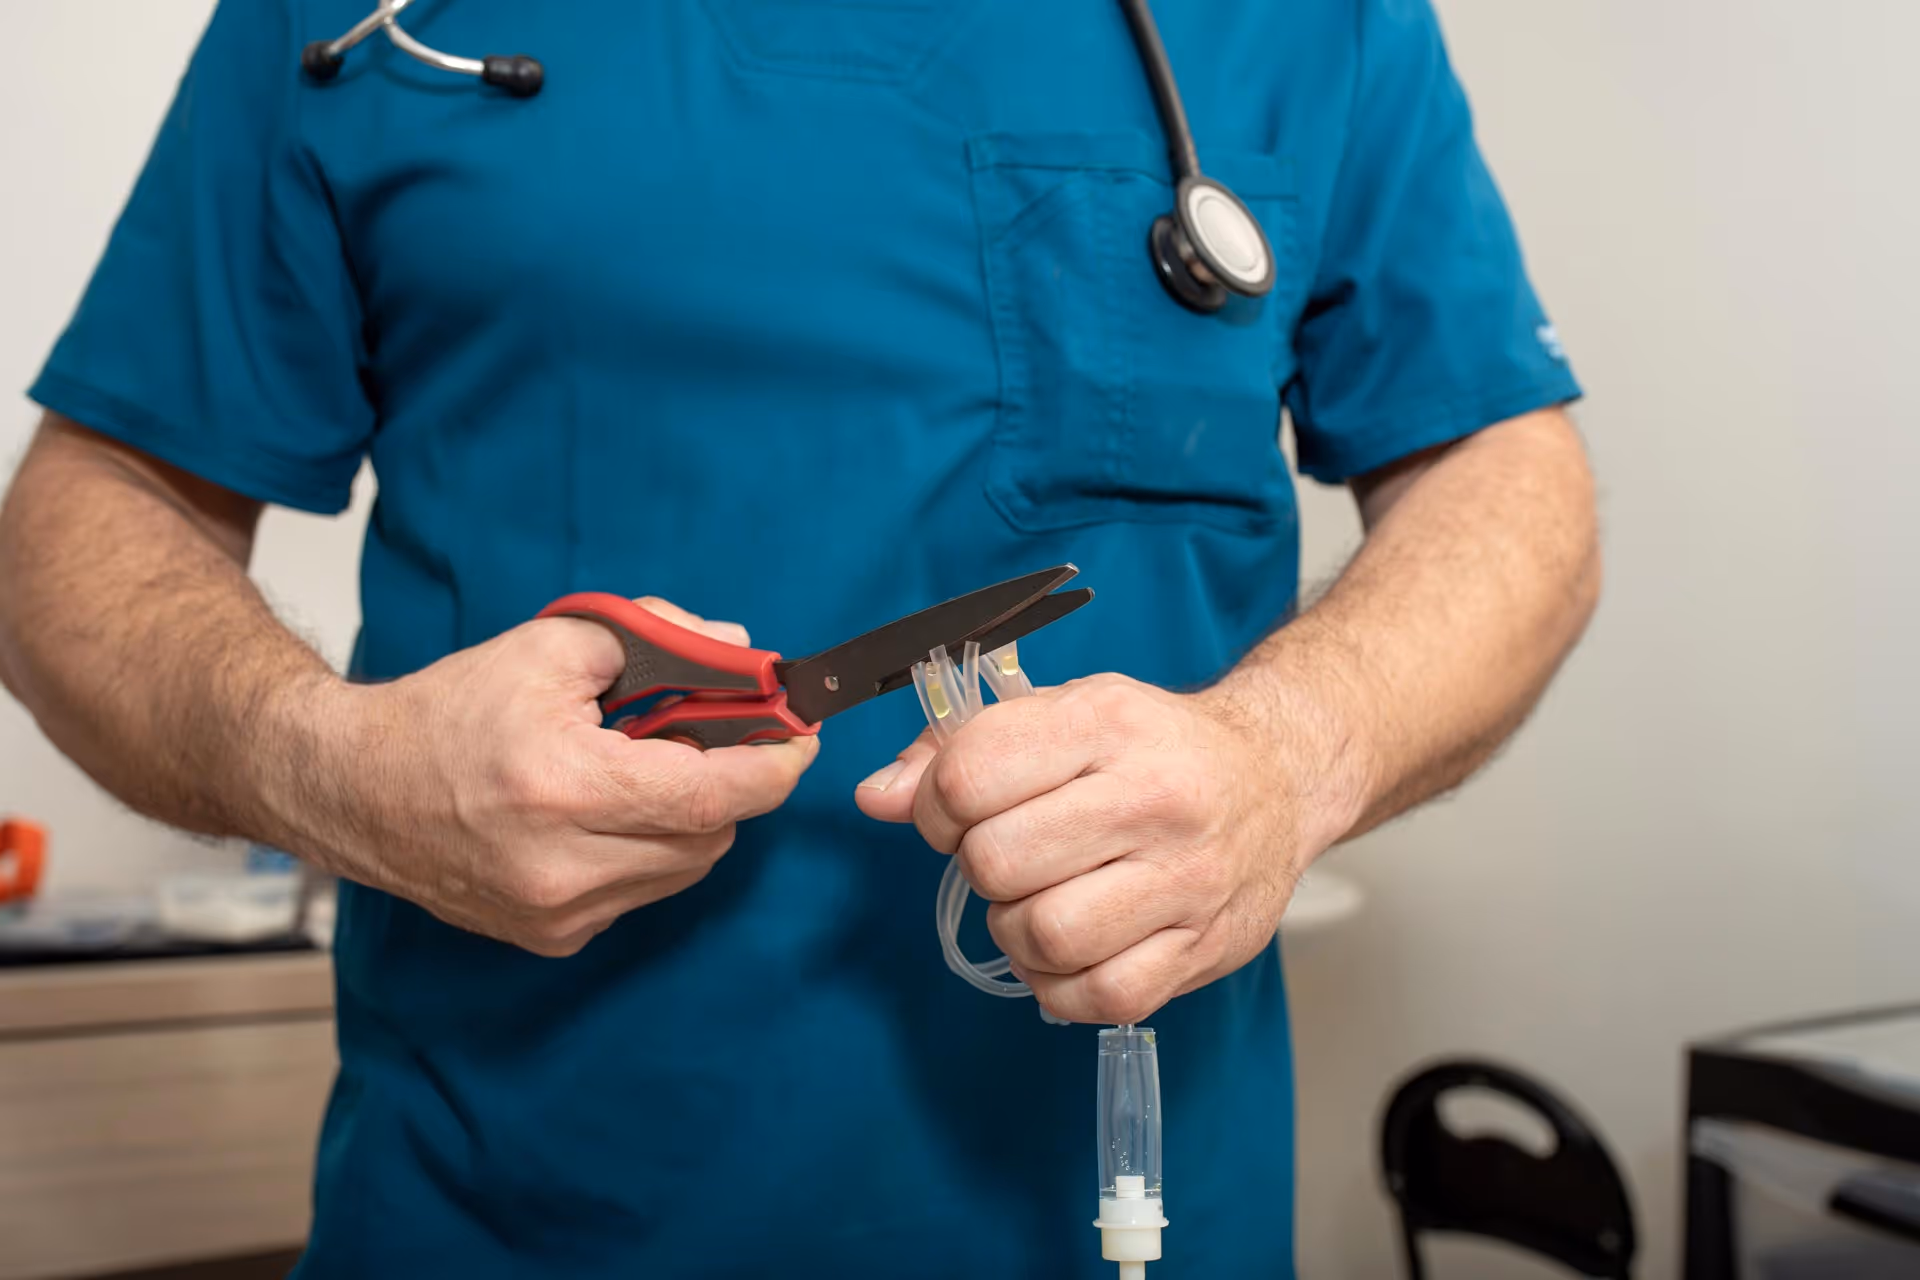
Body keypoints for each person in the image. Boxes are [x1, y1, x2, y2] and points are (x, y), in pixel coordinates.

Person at [0, 1, 1599, 1275]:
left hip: (1124, 1226)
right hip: (500, 1224)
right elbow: (83, 527)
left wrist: (1285, 757)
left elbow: (1510, 484)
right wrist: (328, 765)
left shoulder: (1311, 17)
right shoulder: (359, 16)